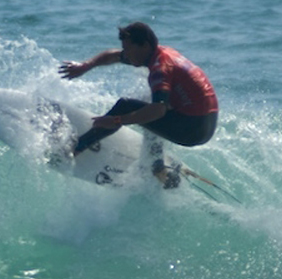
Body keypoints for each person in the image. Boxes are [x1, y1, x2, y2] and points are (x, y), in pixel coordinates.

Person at [59, 22, 218, 186]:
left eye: (128, 49)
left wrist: (116, 120)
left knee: (127, 106)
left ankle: (75, 148)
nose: (125, 54)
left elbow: (157, 111)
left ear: (144, 45)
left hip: (193, 129)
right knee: (148, 100)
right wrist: (86, 65)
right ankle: (157, 163)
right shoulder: (158, 53)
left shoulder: (160, 69)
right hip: (206, 121)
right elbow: (113, 55)